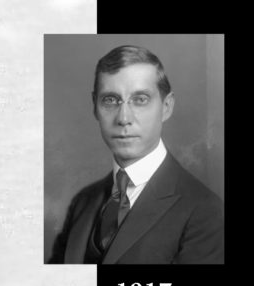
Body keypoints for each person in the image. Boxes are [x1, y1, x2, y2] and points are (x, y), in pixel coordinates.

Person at [48, 44, 224, 264]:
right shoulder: (82, 202)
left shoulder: (204, 211)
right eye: (110, 100)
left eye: (140, 99)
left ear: (166, 107)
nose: (124, 118)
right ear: (95, 107)